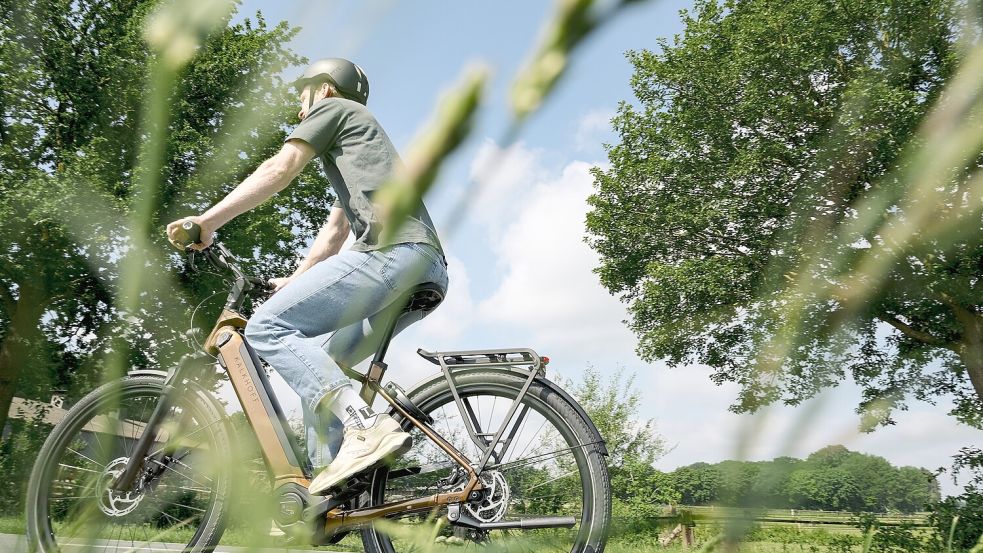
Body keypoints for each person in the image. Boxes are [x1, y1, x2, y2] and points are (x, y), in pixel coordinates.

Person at [166, 58, 448, 495]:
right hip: (425, 265)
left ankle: (363, 426)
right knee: (321, 369)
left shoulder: (336, 111)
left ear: (326, 89)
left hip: (393, 255)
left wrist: (207, 221)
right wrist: (296, 279)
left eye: (303, 93)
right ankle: (331, 494)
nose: (301, 106)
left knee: (266, 326)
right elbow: (333, 234)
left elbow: (279, 169)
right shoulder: (362, 151)